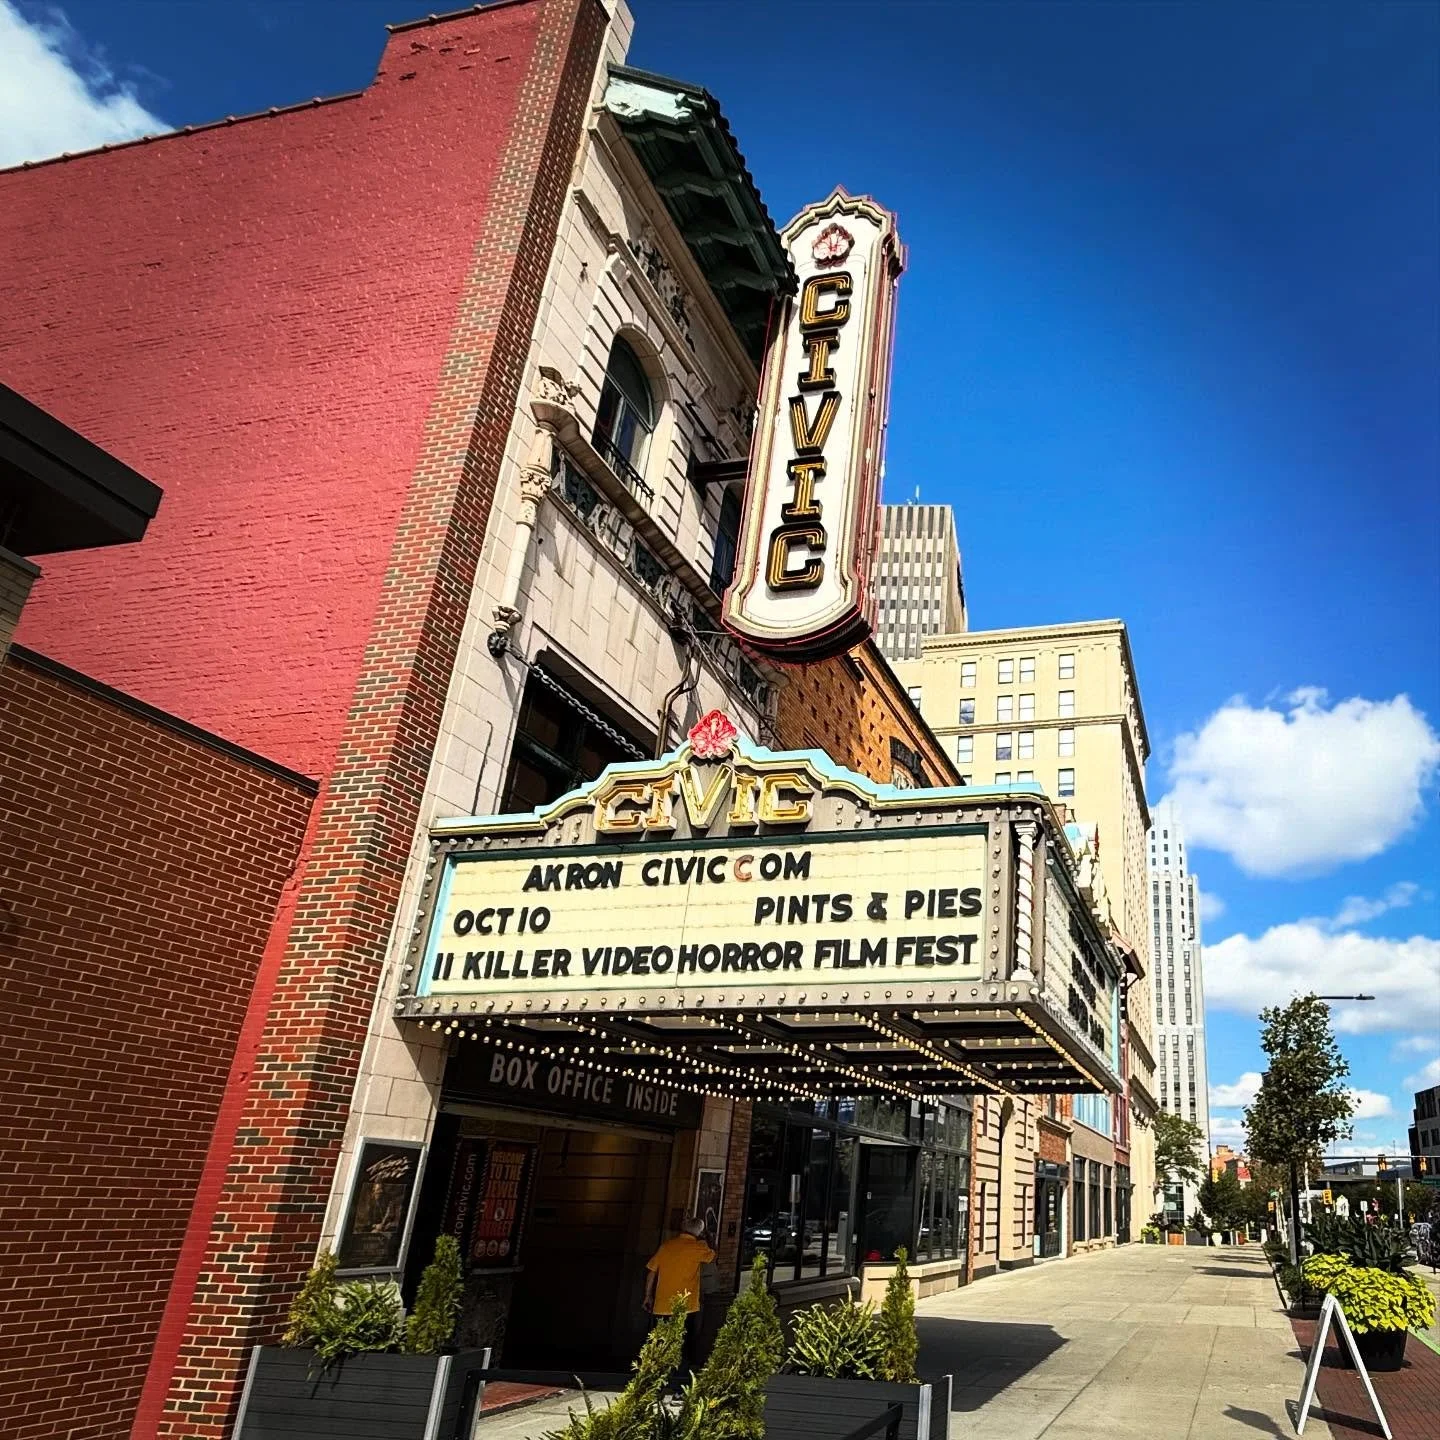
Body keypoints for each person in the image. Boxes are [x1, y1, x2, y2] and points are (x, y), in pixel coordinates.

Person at [643, 1216, 716, 1376]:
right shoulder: (698, 1247)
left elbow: (651, 1273)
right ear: (699, 1232)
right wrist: (707, 1239)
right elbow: (712, 1256)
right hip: (686, 1306)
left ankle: (655, 1380)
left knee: (659, 1344)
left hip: (662, 1305)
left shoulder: (666, 1246)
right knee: (684, 1346)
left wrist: (648, 1296)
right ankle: (679, 1384)